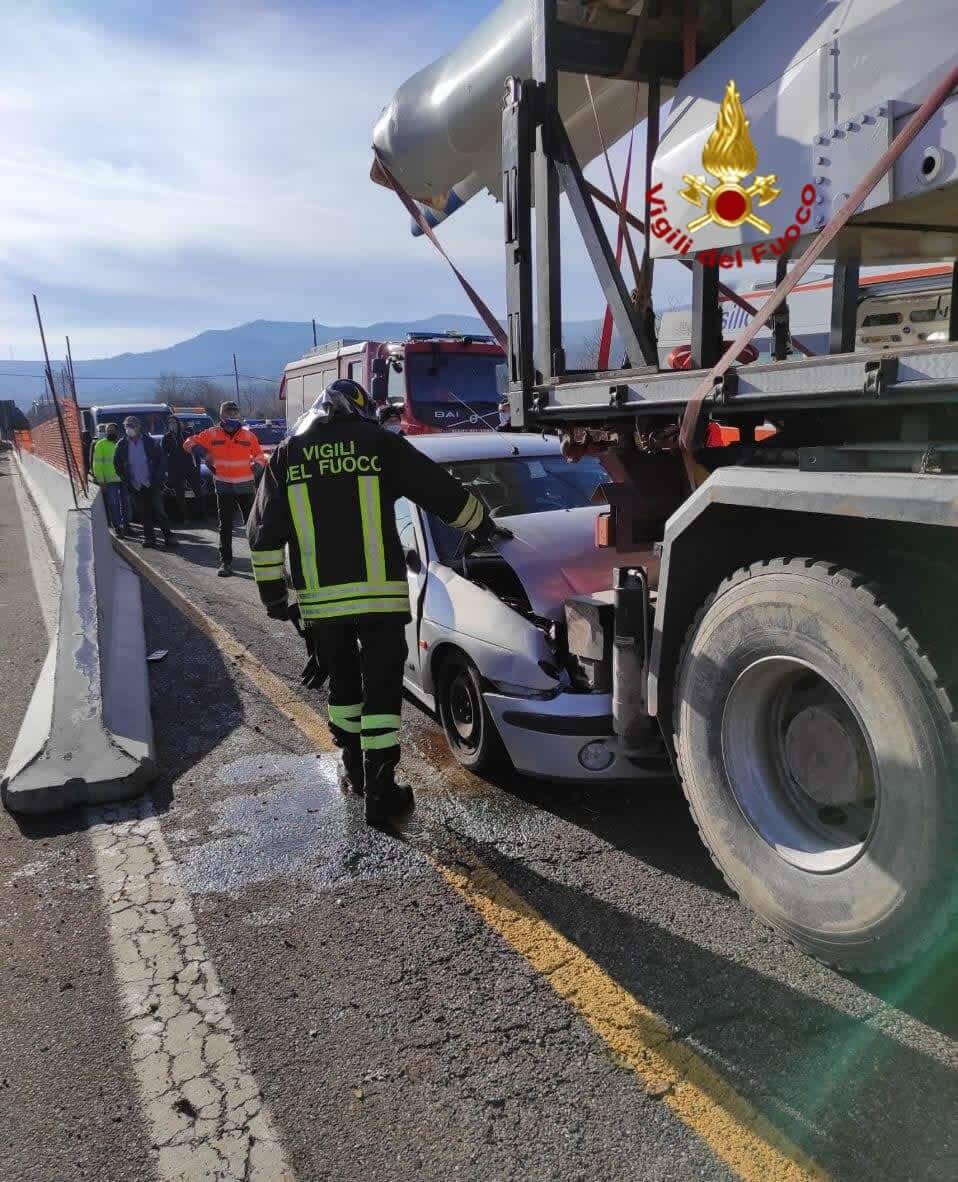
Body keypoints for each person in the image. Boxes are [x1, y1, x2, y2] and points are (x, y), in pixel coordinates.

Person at [247, 378, 504, 827]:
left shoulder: (288, 453)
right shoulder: (377, 443)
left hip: (322, 604)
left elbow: (262, 532)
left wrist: (275, 598)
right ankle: (381, 789)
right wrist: (480, 523)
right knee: (382, 687)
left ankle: (352, 769)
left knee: (343, 685)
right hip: (380, 596)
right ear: (360, 410)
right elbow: (435, 487)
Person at [183, 401, 266, 577]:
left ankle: (260, 562)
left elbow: (260, 455)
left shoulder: (248, 436)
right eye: (229, 416)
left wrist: (257, 467)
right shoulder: (212, 434)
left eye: (236, 416)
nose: (233, 419)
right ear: (221, 417)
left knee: (253, 525)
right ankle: (226, 563)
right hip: (224, 487)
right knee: (225, 527)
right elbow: (188, 442)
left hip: (245, 487)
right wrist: (203, 453)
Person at [113, 416, 176, 549]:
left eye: (131, 426)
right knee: (143, 513)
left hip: (151, 483)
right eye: (126, 426)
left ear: (138, 427)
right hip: (135, 485)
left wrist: (159, 477)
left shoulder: (149, 442)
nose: (129, 429)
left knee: (160, 511)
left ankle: (168, 537)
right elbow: (117, 464)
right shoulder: (122, 444)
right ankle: (149, 538)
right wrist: (126, 479)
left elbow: (161, 460)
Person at [162, 415, 205, 522]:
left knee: (198, 492)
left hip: (189, 468)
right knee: (180, 496)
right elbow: (164, 455)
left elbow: (195, 452)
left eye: (174, 422)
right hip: (175, 470)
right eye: (170, 423)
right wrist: (167, 471)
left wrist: (197, 467)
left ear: (178, 423)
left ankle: (202, 515)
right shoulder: (166, 438)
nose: (172, 425)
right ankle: (186, 517)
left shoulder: (186, 435)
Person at [90, 423, 130, 536]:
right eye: (108, 430)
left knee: (126, 503)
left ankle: (127, 525)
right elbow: (97, 464)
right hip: (110, 480)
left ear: (117, 431)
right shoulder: (100, 444)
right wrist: (101, 480)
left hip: (123, 478)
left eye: (112, 430)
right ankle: (117, 526)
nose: (109, 432)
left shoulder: (123, 443)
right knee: (114, 504)